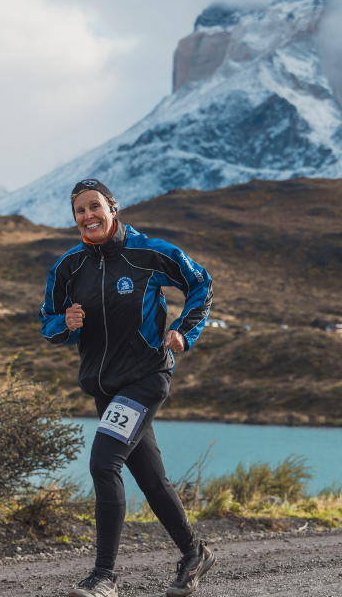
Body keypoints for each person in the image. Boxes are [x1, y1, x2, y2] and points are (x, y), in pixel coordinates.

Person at [39, 179, 216, 597]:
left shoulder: (148, 252)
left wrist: (183, 330)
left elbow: (202, 284)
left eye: (95, 206)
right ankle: (195, 554)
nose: (88, 216)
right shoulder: (68, 267)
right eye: (80, 210)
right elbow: (47, 320)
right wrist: (65, 323)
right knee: (150, 478)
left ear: (112, 209)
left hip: (146, 377)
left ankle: (104, 576)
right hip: (106, 388)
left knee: (104, 464)